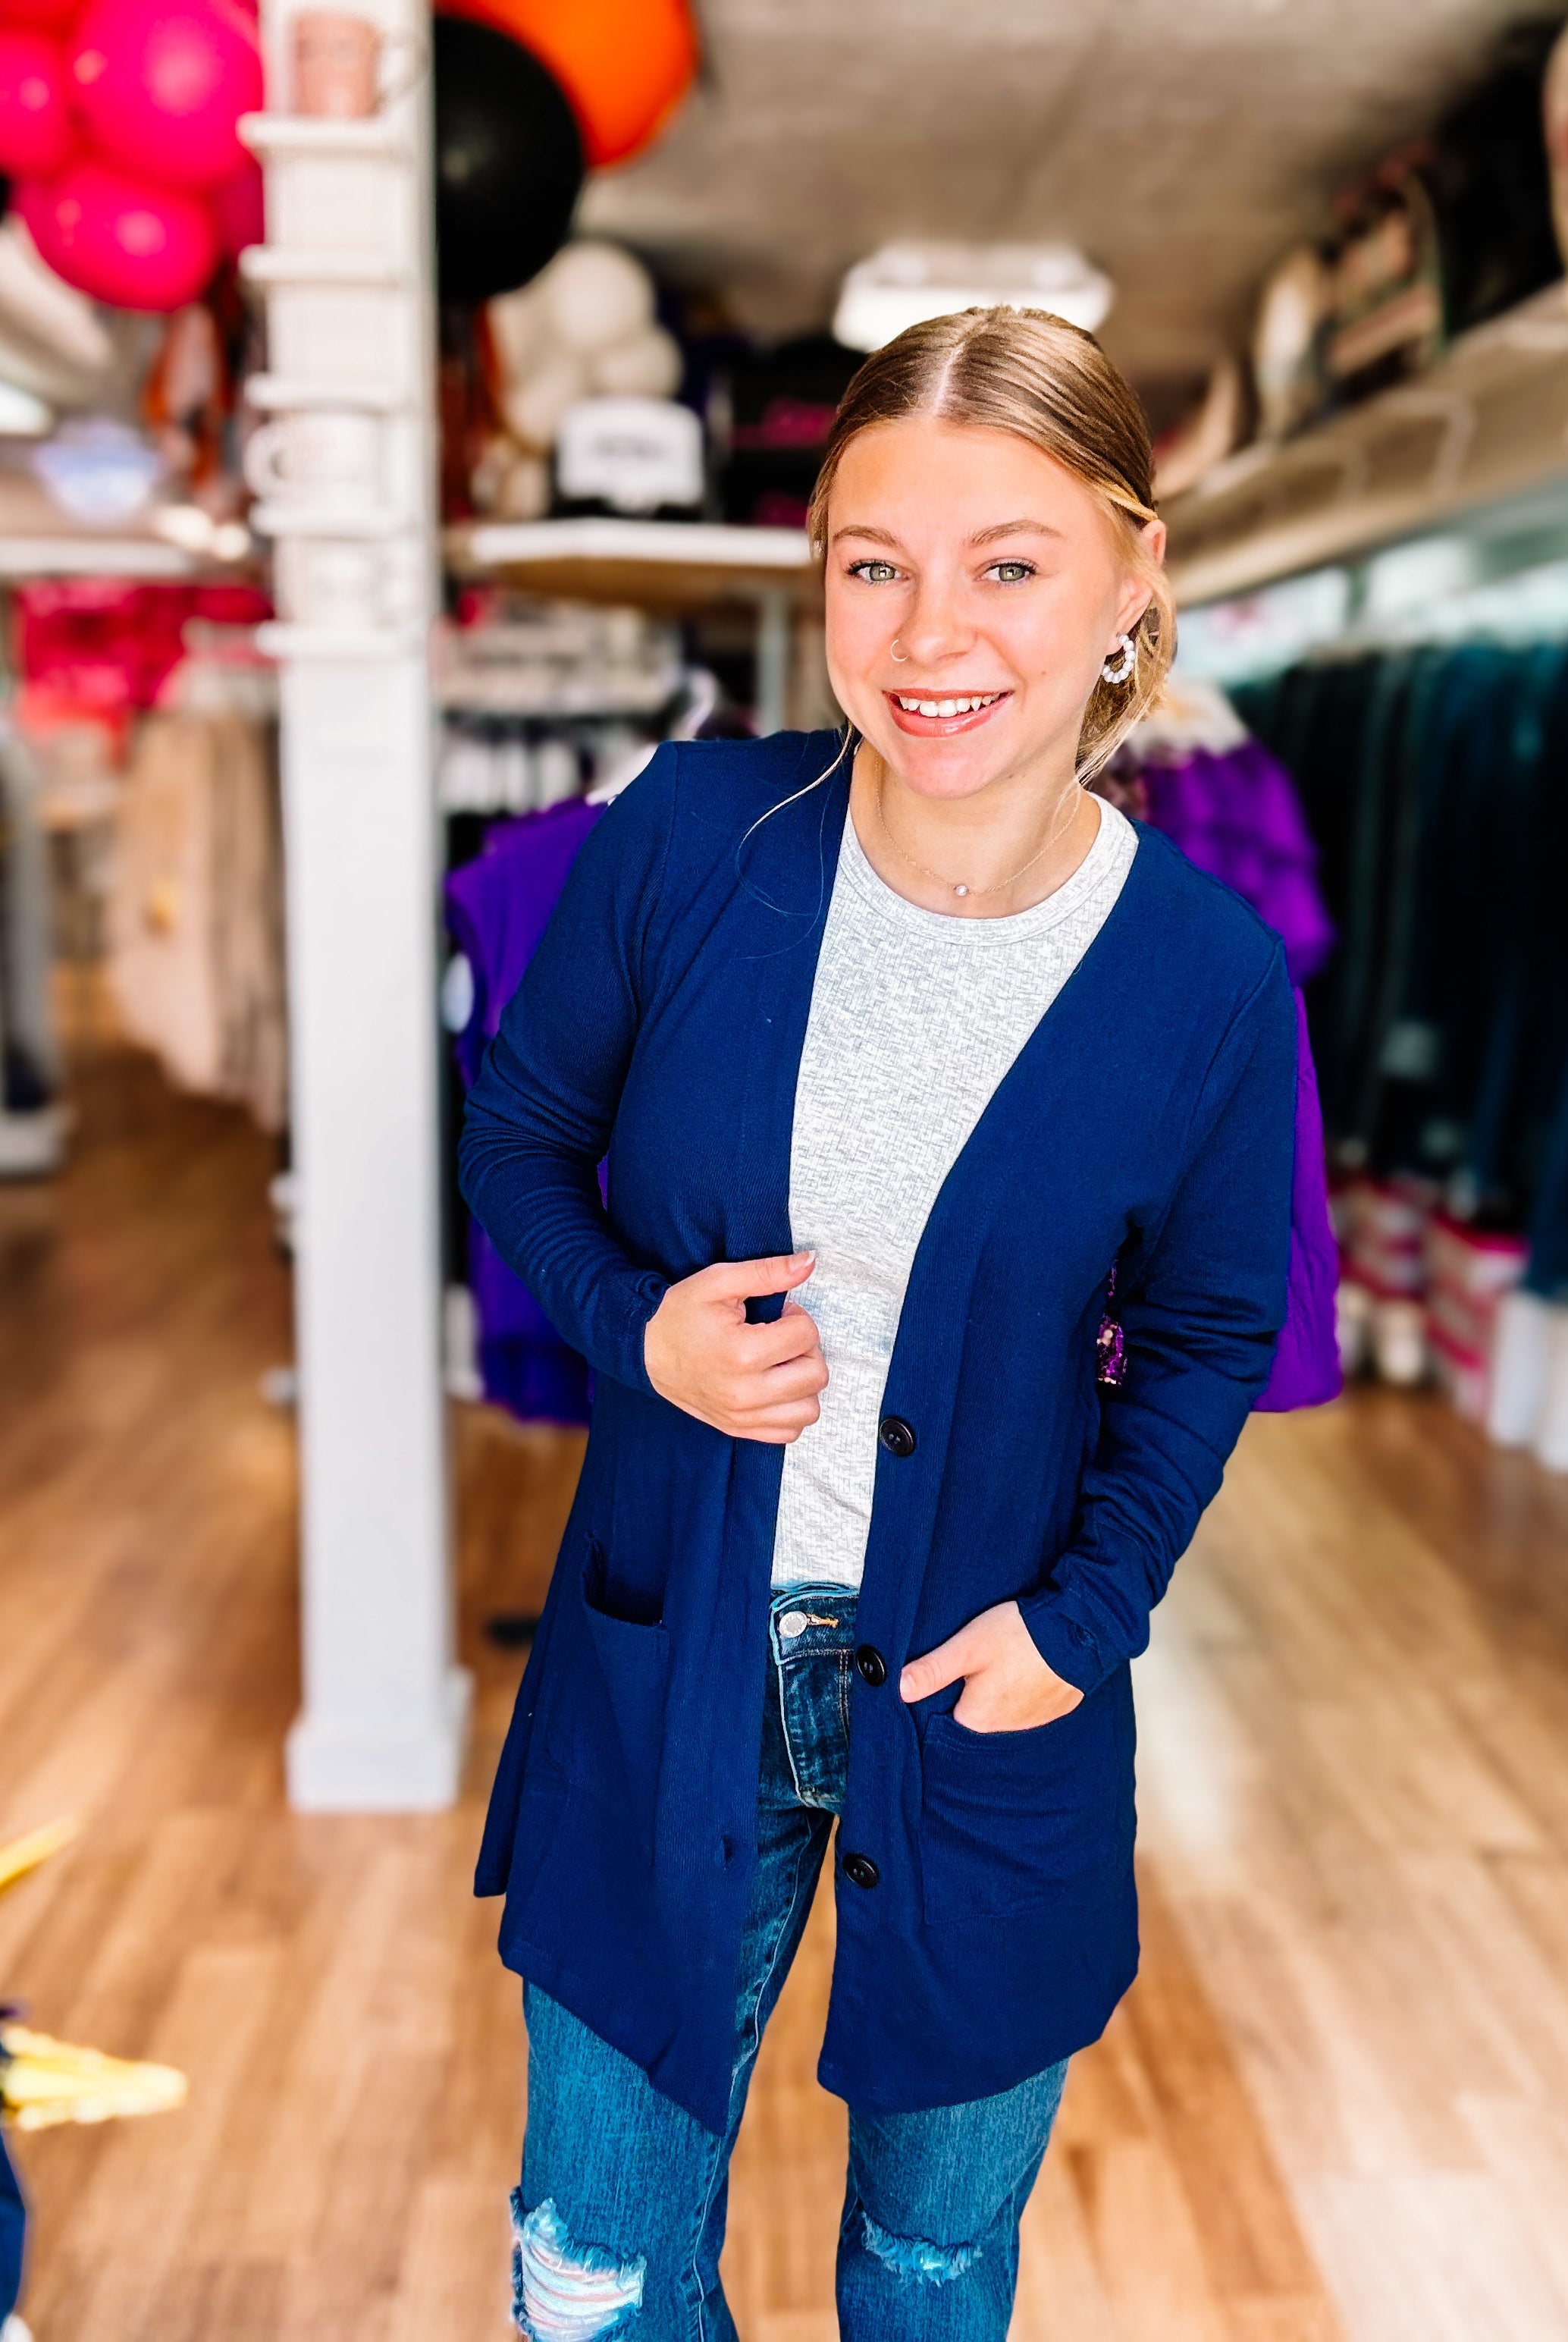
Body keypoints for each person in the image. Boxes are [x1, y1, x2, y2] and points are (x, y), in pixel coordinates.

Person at [460, 306, 1297, 2342]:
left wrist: (1085, 1619)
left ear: (1131, 576)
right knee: (590, 2269)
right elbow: (519, 1138)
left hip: (985, 1682)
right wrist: (637, 1330)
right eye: (873, 565)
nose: (931, 636)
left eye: (1008, 563)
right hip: (672, 1650)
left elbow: (1209, 1335)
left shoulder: (1203, 979)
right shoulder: (689, 839)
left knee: (927, 2265)